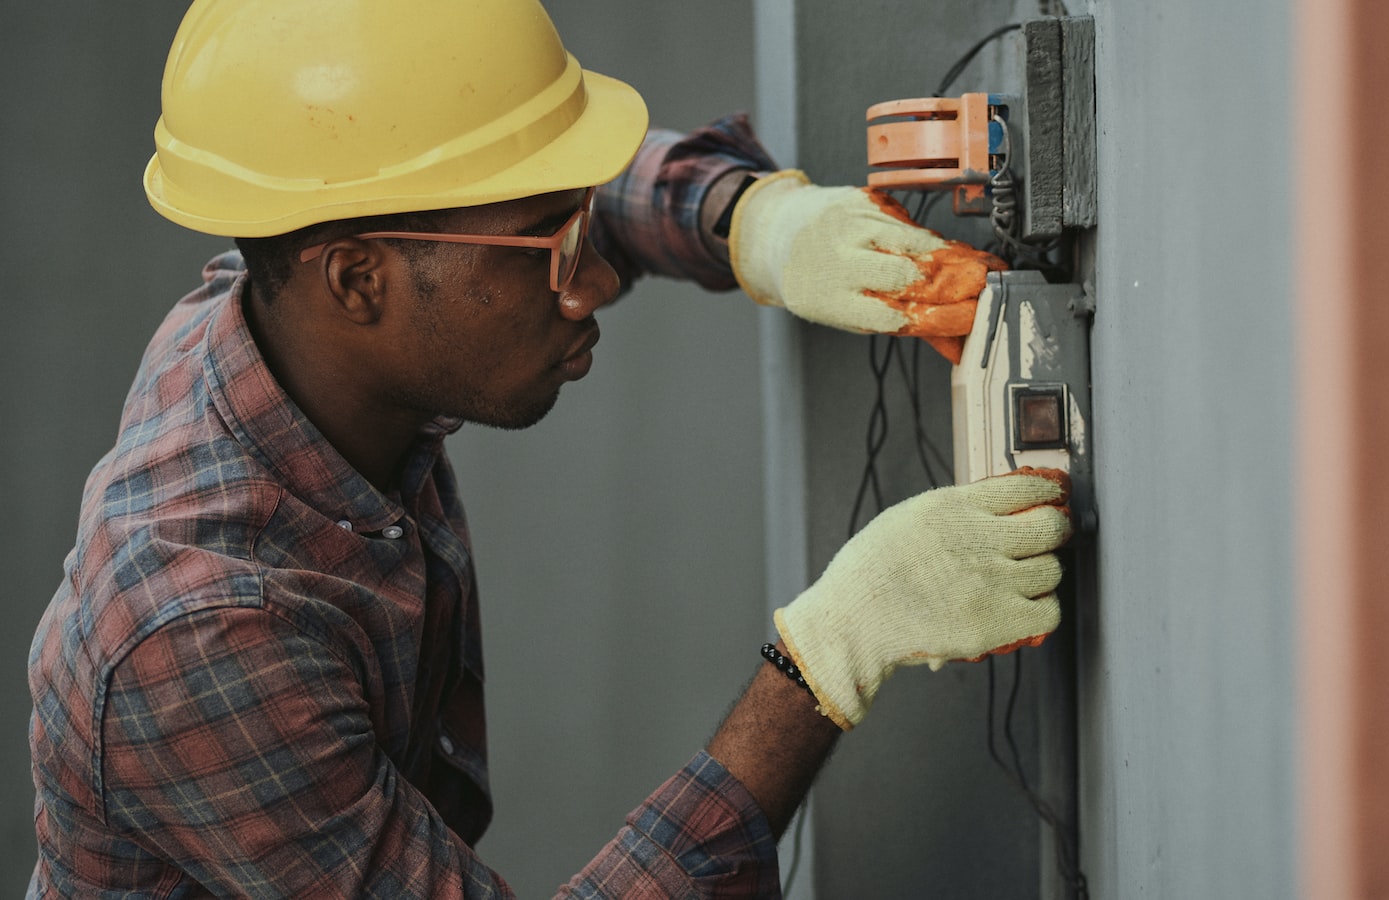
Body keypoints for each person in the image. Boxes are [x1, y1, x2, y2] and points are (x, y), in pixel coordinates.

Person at [27, 1, 1072, 896]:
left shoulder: (291, 291)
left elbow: (516, 200)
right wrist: (826, 659)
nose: (590, 283)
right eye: (551, 249)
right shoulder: (199, 632)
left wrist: (752, 219)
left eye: (576, 229)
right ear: (356, 281)